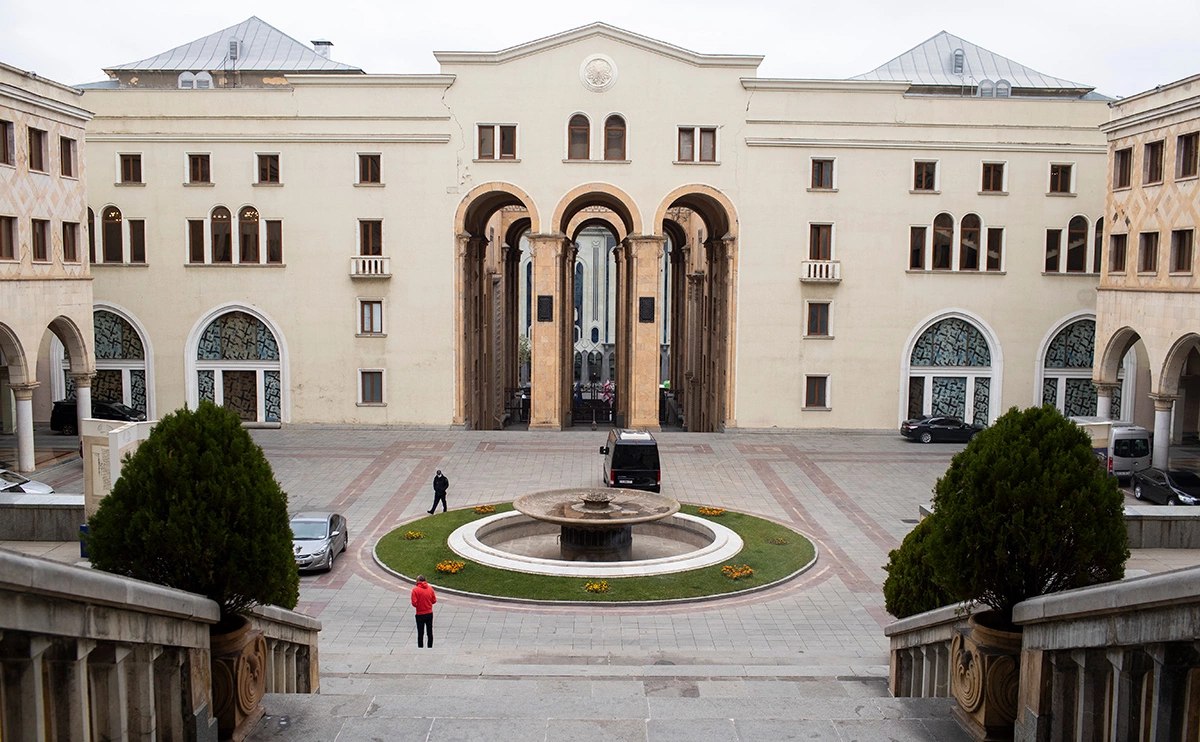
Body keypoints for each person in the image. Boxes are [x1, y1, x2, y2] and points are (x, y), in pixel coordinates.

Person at [411, 574, 436, 648]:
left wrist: (420, 604)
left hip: (420, 614)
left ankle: (420, 648)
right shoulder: (430, 589)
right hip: (429, 613)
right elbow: (434, 600)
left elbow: (414, 603)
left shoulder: (415, 590)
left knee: (420, 633)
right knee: (429, 632)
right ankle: (430, 647)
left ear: (418, 581)